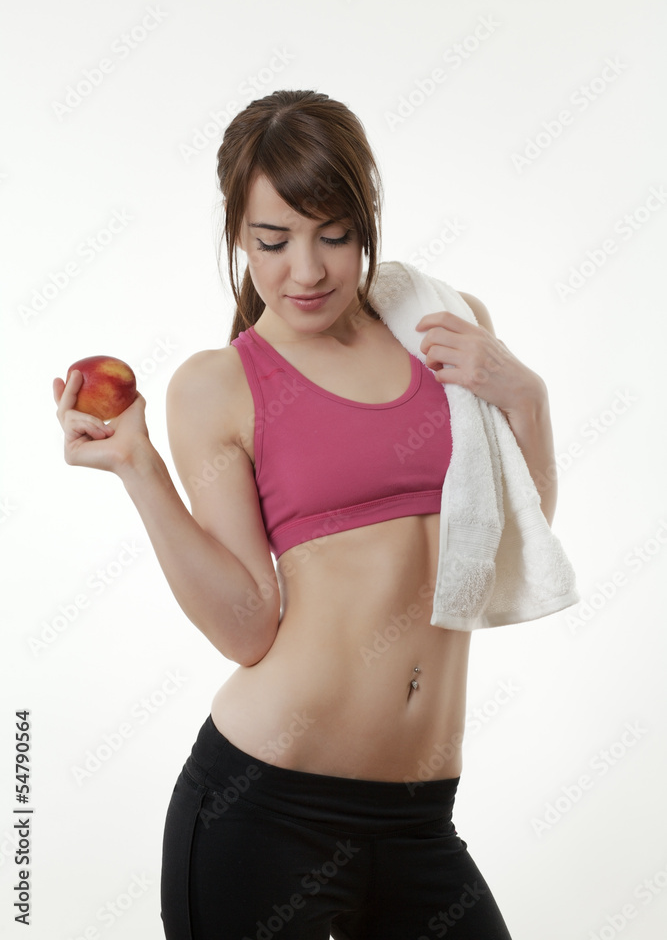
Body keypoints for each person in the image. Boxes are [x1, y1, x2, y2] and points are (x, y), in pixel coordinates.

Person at [53, 89, 556, 938]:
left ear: (367, 221)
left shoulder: (443, 329)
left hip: (420, 820)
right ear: (236, 235)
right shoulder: (218, 385)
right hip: (264, 810)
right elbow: (248, 626)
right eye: (273, 240)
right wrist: (140, 468)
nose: (308, 271)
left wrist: (525, 396)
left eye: (335, 235)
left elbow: (518, 533)